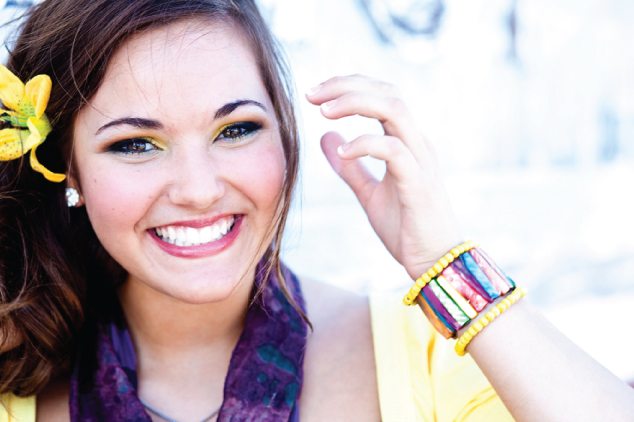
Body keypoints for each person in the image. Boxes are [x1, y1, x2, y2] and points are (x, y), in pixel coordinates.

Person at [0, 0, 633, 421]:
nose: (197, 189)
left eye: (236, 130)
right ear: (68, 168)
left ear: (285, 134)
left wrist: (442, 259)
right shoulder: (16, 376)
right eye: (136, 144)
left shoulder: (429, 351)